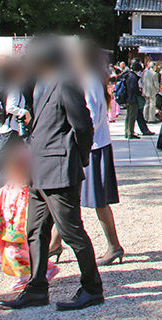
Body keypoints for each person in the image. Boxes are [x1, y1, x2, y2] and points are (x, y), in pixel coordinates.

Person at [0, 37, 103, 311]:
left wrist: (77, 157)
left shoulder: (65, 80)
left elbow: (82, 125)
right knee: (34, 231)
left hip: (59, 167)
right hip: (38, 167)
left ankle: (92, 287)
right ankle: (36, 287)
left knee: (71, 232)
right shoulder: (38, 82)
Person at [54, 39, 124, 267]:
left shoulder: (89, 79)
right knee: (71, 196)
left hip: (91, 147)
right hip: (90, 145)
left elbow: (91, 117)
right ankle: (55, 243)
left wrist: (77, 139)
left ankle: (114, 245)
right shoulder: (87, 77)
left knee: (97, 200)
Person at [0, 145, 58, 291]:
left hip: (24, 228)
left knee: (18, 253)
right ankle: (43, 270)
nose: (13, 173)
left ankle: (26, 277)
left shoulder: (31, 188)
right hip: (12, 229)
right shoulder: (11, 185)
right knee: (21, 253)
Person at [0, 59, 31, 192]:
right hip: (12, 127)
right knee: (4, 155)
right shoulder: (14, 87)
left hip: (9, 126)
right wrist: (24, 112)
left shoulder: (7, 86)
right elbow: (10, 107)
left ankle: (16, 179)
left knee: (15, 154)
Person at [123, 61, 152, 139]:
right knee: (132, 116)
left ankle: (127, 131)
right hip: (133, 98)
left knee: (129, 116)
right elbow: (133, 87)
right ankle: (130, 133)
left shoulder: (128, 75)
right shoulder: (133, 76)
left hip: (128, 97)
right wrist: (139, 93)